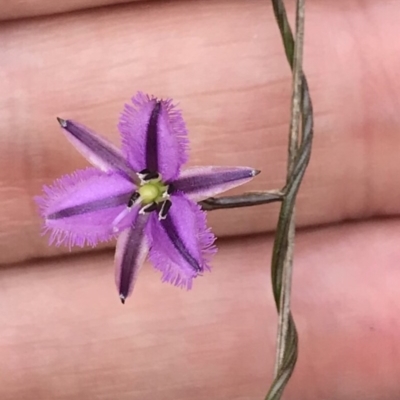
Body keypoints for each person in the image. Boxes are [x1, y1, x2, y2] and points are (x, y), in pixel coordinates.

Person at [1, 0, 399, 399]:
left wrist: (173, 178)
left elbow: (152, 125)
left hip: (177, 190)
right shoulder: (141, 209)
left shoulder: (158, 171)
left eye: (147, 189)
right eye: (146, 191)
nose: (147, 191)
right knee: (74, 220)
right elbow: (167, 250)